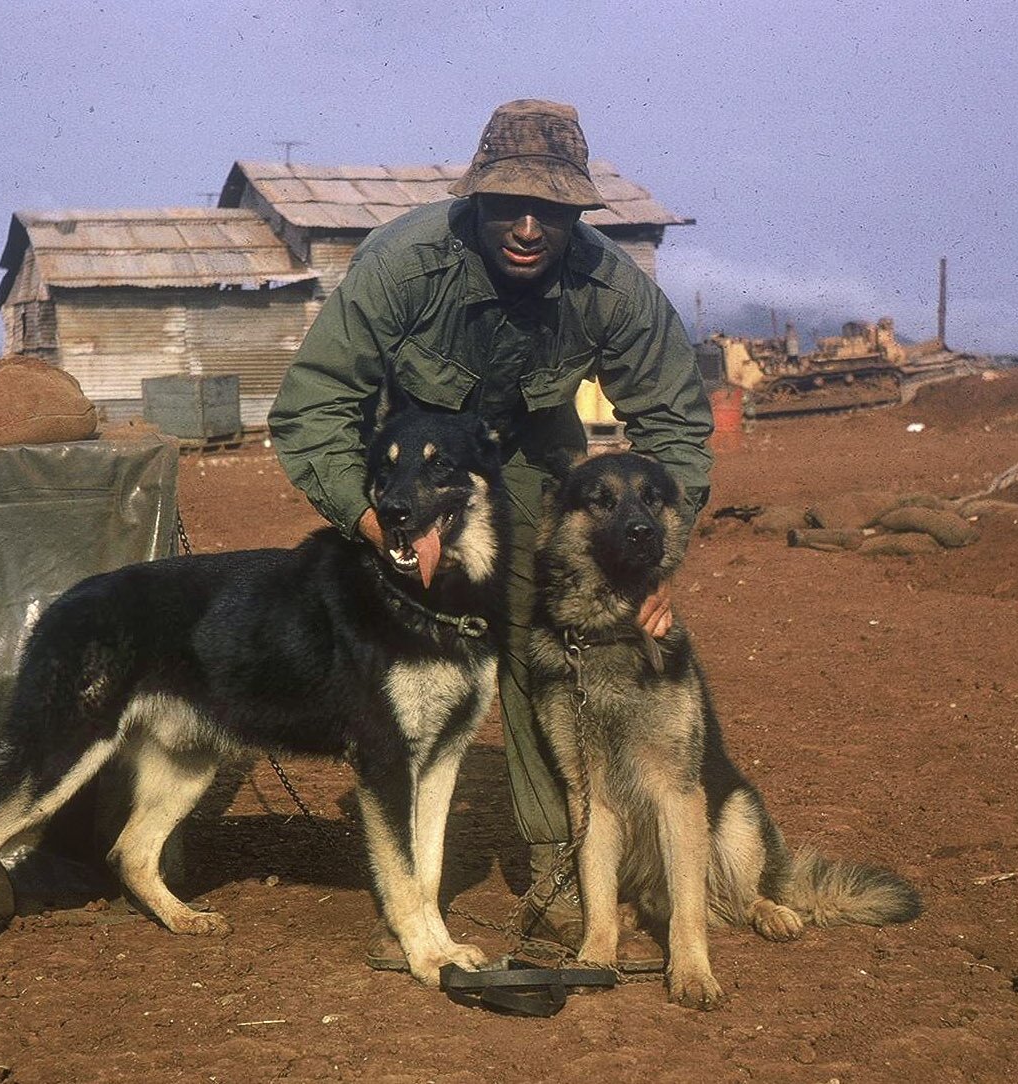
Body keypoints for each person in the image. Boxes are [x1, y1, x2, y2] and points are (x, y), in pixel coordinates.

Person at [268, 99, 713, 967]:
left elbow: (677, 427)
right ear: (474, 196)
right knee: (397, 648)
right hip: (414, 473)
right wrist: (374, 521)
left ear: (577, 213)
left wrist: (663, 556)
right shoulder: (404, 264)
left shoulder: (610, 285)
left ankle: (556, 867)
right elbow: (314, 408)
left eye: (549, 209)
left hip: (531, 472)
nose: (525, 226)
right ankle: (407, 893)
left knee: (543, 648)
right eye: (508, 202)